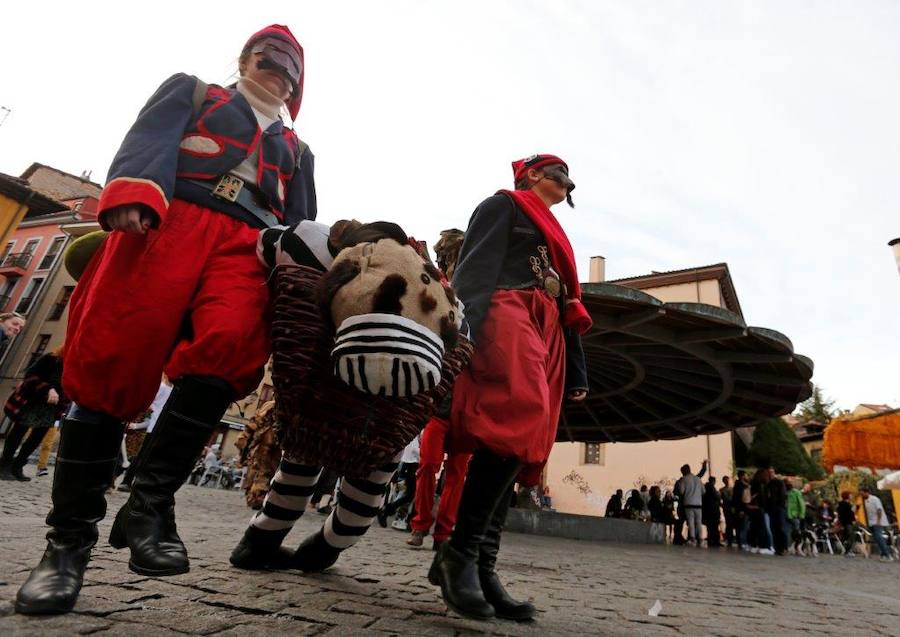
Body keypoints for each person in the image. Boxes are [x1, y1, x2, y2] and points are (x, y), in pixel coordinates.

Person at [15, 25, 315, 616]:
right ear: (245, 59)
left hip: (246, 245)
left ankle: (149, 503)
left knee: (232, 347)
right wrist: (135, 192)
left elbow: (300, 221)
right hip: (168, 222)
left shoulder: (299, 150)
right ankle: (66, 546)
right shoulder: (196, 93)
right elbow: (148, 140)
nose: (278, 68)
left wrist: (302, 272)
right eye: (268, 56)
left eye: (290, 65)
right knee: (111, 358)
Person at [428, 154, 590, 621]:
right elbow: (474, 271)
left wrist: (576, 369)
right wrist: (463, 333)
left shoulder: (560, 238)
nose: (568, 182)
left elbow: (568, 302)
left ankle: (482, 564)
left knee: (529, 440)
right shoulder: (502, 206)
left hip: (548, 327)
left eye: (570, 178)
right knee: (519, 413)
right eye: (559, 173)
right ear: (533, 175)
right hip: (508, 308)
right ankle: (458, 553)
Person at [1, 348, 70, 481]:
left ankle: (18, 466)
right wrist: (48, 389)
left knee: (36, 438)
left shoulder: (75, 367)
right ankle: (4, 465)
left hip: (52, 408)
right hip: (32, 401)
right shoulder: (51, 359)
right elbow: (30, 375)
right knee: (18, 432)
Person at [408, 416, 471, 550]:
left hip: (467, 418)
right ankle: (420, 524)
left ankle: (443, 532)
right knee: (427, 465)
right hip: (439, 414)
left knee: (457, 475)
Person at [674, 461, 707, 546]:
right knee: (699, 522)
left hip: (688, 504)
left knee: (691, 522)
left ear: (683, 471)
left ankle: (692, 539)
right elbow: (703, 491)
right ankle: (700, 539)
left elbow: (681, 491)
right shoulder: (698, 479)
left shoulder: (684, 479)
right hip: (698, 504)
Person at [860, 487, 893, 561]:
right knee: (877, 539)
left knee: (879, 538)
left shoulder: (875, 499)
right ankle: (883, 554)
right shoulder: (864, 501)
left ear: (867, 492)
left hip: (877, 522)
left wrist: (878, 521)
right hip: (871, 522)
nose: (861, 495)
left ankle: (887, 555)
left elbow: (879, 510)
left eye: (862, 493)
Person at [766, 467, 789, 555]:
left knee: (781, 528)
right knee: (774, 528)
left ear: (774, 473)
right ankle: (777, 548)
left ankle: (784, 547)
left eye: (771, 473)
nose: (770, 475)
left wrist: (780, 506)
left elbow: (783, 495)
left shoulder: (779, 482)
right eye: (768, 473)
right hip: (772, 509)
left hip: (779, 509)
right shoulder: (768, 484)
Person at [785, 480, 806, 555]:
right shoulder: (785, 492)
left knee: (796, 533)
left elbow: (801, 504)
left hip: (794, 515)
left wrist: (801, 515)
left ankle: (796, 548)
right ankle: (789, 548)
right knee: (788, 532)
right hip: (786, 514)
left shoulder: (796, 492)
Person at [732, 471, 750, 550]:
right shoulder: (740, 485)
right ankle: (742, 542)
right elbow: (739, 498)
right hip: (742, 508)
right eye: (746, 475)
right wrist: (741, 509)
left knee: (740, 526)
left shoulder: (738, 484)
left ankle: (741, 542)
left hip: (739, 508)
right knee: (742, 526)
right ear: (742, 476)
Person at [702, 476, 721, 547]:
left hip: (707, 511)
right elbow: (717, 497)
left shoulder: (705, 488)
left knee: (709, 527)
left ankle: (711, 540)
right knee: (714, 527)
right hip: (713, 511)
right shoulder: (712, 488)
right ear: (713, 481)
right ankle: (715, 540)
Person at [836, 491, 857, 555]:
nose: (851, 496)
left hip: (847, 522)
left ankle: (844, 549)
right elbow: (847, 514)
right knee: (851, 536)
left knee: (846, 536)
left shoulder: (846, 504)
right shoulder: (845, 504)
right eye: (850, 495)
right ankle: (847, 550)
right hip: (847, 522)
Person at [719, 475, 734, 547]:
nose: (727, 481)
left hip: (733, 508)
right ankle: (729, 538)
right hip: (727, 509)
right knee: (729, 523)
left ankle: (730, 538)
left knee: (732, 523)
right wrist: (722, 505)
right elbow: (719, 500)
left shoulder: (733, 489)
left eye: (727, 480)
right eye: (725, 480)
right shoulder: (722, 490)